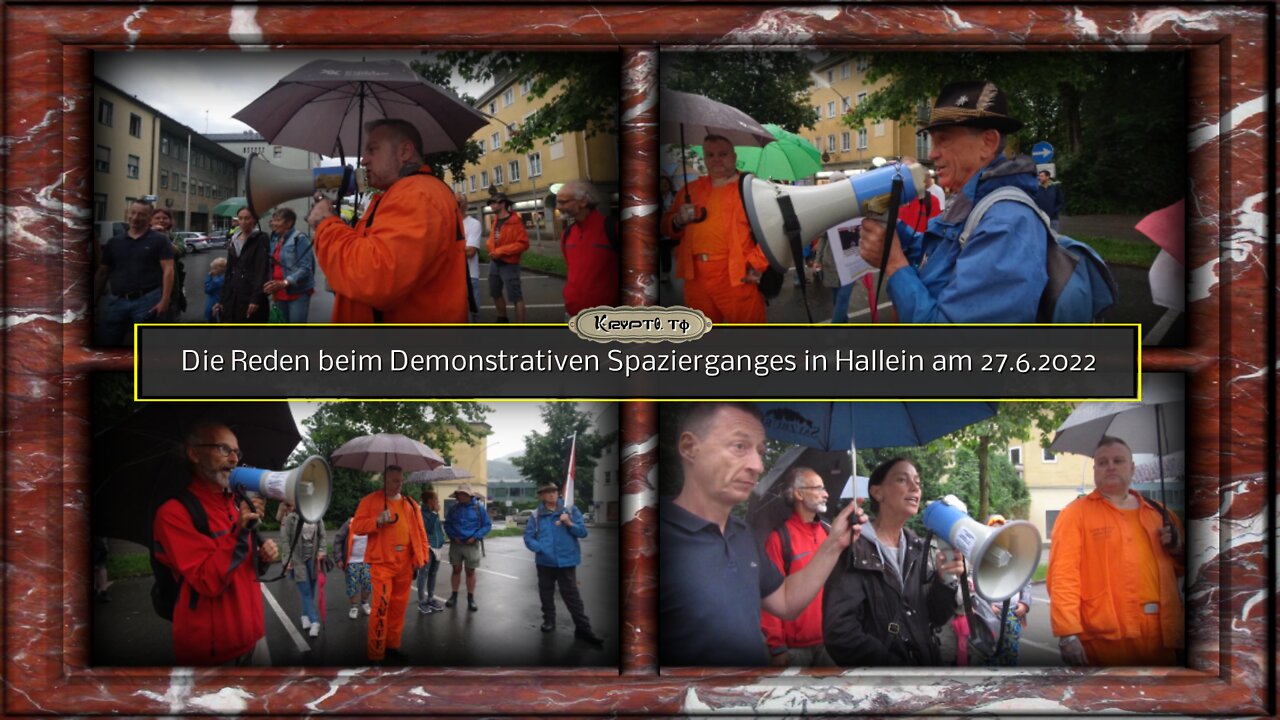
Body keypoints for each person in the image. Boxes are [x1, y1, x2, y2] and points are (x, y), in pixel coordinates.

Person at [659, 403, 865, 666]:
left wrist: (835, 542)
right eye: (739, 446)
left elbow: (787, 600)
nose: (757, 465)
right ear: (690, 447)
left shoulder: (744, 535)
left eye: (760, 451)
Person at [857, 80, 1049, 323]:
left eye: (943, 140)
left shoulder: (1007, 224)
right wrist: (894, 230)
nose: (931, 154)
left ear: (987, 142)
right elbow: (941, 256)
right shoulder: (975, 202)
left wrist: (895, 264)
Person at [306, 118, 468, 323]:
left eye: (372, 150)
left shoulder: (415, 195)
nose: (364, 160)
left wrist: (326, 224)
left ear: (404, 152)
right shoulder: (404, 194)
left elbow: (373, 279)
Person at [1047, 436, 1185, 666]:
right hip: (1104, 639)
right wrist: (1067, 633)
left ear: (1132, 468)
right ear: (1094, 470)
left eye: (1118, 460)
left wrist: (1177, 549)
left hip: (1164, 636)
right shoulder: (1074, 515)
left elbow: (1188, 572)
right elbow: (1063, 576)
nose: (1110, 466)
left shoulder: (1161, 514)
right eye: (1102, 462)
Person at [151, 420, 280, 665]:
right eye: (224, 449)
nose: (234, 458)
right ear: (194, 453)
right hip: (214, 654)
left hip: (254, 638)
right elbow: (207, 580)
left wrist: (261, 559)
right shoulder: (173, 513)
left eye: (236, 451)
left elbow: (240, 567)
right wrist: (240, 533)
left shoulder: (234, 504)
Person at [822, 457, 965, 666]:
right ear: (877, 492)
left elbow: (935, 617)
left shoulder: (916, 548)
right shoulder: (854, 549)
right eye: (902, 480)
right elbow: (840, 633)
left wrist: (944, 582)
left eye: (917, 481)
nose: (915, 487)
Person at [660, 136, 769, 323]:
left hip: (737, 275)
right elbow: (666, 225)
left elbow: (773, 230)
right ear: (704, 158)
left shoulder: (751, 188)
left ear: (734, 157)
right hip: (696, 278)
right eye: (710, 154)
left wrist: (757, 264)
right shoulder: (690, 190)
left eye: (723, 154)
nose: (716, 159)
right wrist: (678, 220)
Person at [350, 465, 430, 664]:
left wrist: (422, 556)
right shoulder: (370, 501)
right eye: (395, 480)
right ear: (384, 481)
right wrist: (376, 521)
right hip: (382, 564)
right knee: (380, 607)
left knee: (398, 608)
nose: (399, 484)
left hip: (405, 566)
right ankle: (376, 653)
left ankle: (392, 646)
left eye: (401, 480)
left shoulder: (410, 503)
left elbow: (420, 532)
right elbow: (357, 527)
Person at [760, 467, 835, 667]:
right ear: (799, 493)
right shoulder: (779, 539)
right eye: (819, 488)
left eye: (824, 488)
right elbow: (769, 595)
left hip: (830, 643)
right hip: (795, 650)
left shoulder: (830, 532)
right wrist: (776, 647)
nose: (826, 494)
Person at [522, 483, 604, 645]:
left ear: (558, 493)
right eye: (547, 492)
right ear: (541, 496)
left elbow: (583, 532)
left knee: (572, 596)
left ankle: (583, 628)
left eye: (553, 491)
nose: (551, 494)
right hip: (545, 562)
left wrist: (569, 523)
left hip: (567, 561)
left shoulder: (571, 510)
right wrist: (540, 549)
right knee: (546, 593)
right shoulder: (536, 514)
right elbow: (528, 537)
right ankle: (549, 621)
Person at [94, 199, 174, 345]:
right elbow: (102, 273)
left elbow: (168, 270)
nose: (136, 217)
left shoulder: (160, 240)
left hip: (147, 300)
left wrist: (165, 300)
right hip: (117, 301)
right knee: (108, 342)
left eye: (142, 214)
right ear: (128, 214)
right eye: (133, 213)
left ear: (149, 218)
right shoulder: (114, 242)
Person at [966, 513, 1033, 666]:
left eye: (1001, 531)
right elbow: (974, 586)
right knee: (989, 648)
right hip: (992, 613)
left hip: (1012, 611)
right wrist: (987, 607)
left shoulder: (1014, 556)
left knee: (1010, 649)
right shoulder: (979, 557)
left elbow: (1026, 581)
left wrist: (1025, 603)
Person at [556, 180, 620, 316]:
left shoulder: (613, 229)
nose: (558, 207)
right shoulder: (567, 234)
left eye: (563, 202)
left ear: (583, 202)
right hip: (572, 313)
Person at [279, 501, 327, 639]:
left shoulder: (317, 517)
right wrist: (286, 559)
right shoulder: (291, 518)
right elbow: (285, 540)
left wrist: (322, 550)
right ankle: (314, 621)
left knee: (311, 591)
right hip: (297, 560)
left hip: (313, 560)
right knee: (305, 591)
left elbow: (322, 535)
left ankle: (305, 616)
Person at [214, 208, 271, 322]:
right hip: (233, 292)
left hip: (250, 292)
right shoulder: (234, 239)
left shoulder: (260, 238)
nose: (243, 222)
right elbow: (229, 271)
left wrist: (256, 299)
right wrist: (223, 299)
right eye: (240, 218)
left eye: (247, 218)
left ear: (254, 220)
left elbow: (261, 270)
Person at [443, 483, 492, 611]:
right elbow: (447, 525)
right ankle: (454, 596)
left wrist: (475, 537)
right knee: (456, 570)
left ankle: (471, 599)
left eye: (463, 494)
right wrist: (453, 537)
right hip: (456, 544)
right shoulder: (453, 509)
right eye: (459, 494)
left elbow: (487, 525)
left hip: (472, 544)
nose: (461, 496)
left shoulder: (479, 508)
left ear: (469, 495)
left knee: (470, 572)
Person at [262, 208, 315, 323]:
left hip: (297, 291)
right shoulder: (275, 238)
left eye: (278, 220)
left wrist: (285, 282)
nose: (274, 223)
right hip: (278, 291)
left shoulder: (299, 239)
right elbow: (273, 265)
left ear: (289, 222)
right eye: (273, 220)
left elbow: (306, 268)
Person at [486, 193, 529, 323]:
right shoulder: (495, 220)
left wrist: (501, 251)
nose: (492, 205)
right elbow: (495, 239)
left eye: (494, 202)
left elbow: (523, 243)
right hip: (494, 262)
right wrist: (490, 247)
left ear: (503, 203)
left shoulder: (515, 221)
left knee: (516, 297)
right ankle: (502, 319)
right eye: (491, 203)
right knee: (495, 293)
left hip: (509, 264)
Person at [149, 208, 188, 321]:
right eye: (157, 218)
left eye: (165, 218)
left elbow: (179, 251)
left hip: (171, 289)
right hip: (149, 287)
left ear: (170, 221)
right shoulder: (145, 235)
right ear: (150, 220)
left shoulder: (175, 237)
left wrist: (163, 237)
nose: (161, 220)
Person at [333, 516, 372, 621]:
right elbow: (338, 539)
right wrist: (338, 558)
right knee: (352, 585)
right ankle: (354, 607)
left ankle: (364, 602)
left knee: (368, 583)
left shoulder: (371, 523)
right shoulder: (350, 523)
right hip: (352, 561)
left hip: (367, 560)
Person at [416, 488, 446, 613]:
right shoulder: (421, 513)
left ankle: (430, 598)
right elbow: (426, 529)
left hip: (437, 547)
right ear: (429, 501)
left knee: (433, 573)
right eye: (435, 499)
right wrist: (434, 514)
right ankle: (422, 601)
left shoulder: (434, 512)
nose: (437, 501)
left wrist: (442, 538)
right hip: (427, 547)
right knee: (423, 574)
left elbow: (437, 529)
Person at [457, 193, 483, 323]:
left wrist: (448, 250)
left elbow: (471, 252)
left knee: (473, 313)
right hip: (452, 276)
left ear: (466, 205)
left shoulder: (474, 224)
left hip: (470, 275)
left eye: (459, 202)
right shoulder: (448, 223)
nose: (456, 205)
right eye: (454, 202)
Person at [203, 257, 227, 322]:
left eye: (213, 269)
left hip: (214, 303)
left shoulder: (217, 281)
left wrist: (209, 277)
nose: (211, 270)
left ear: (218, 270)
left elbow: (207, 289)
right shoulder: (225, 278)